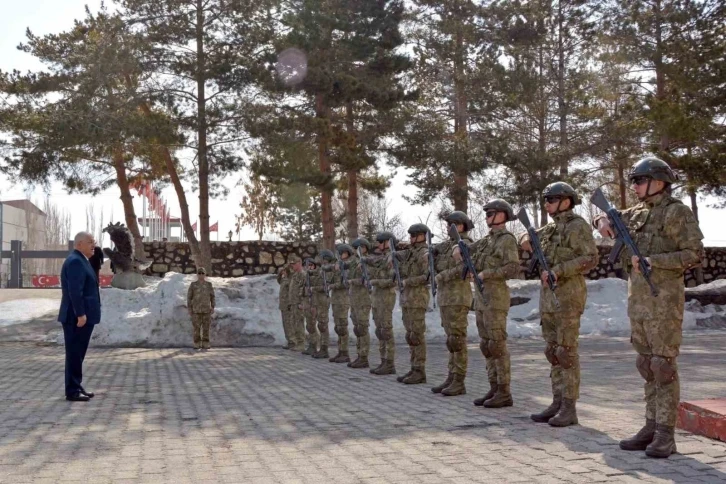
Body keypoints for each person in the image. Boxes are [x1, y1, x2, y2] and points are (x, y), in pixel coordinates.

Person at [595, 157, 703, 458]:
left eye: (639, 181)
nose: (635, 186)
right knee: (646, 364)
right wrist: (601, 222)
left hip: (664, 301)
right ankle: (651, 425)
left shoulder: (676, 212)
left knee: (663, 366)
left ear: (658, 181)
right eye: (634, 181)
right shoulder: (637, 213)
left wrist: (656, 262)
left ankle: (666, 434)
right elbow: (604, 219)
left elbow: (694, 253)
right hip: (639, 302)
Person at [520, 182, 598, 427]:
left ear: (566, 201)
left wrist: (559, 270)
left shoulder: (577, 226)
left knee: (566, 352)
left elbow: (591, 258)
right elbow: (526, 237)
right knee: (553, 352)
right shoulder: (549, 229)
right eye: (546, 200)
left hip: (568, 296)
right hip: (549, 299)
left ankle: (569, 406)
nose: (547, 204)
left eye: (551, 199)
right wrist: (525, 239)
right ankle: (556, 401)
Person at [468, 199, 520, 408]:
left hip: (496, 298)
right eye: (487, 213)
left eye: (491, 213)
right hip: (482, 298)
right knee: (486, 345)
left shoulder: (506, 239)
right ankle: (494, 386)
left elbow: (513, 267)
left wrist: (487, 273)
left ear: (503, 215)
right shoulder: (486, 241)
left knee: (497, 345)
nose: (487, 216)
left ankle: (504, 391)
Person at [432, 211, 474, 396]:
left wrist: (442, 276)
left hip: (458, 297)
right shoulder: (447, 246)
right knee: (451, 340)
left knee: (457, 340)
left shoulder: (467, 244)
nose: (448, 228)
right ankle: (451, 376)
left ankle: (459, 380)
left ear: (461, 225)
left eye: (452, 225)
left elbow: (463, 267)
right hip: (445, 298)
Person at [58, 232, 101, 402]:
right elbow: (75, 291)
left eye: (94, 242)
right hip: (76, 317)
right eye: (90, 242)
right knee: (75, 353)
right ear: (79, 244)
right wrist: (81, 314)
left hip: (81, 316)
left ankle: (76, 385)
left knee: (77, 353)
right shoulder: (76, 261)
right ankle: (72, 391)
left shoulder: (82, 260)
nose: (93, 245)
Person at [396, 223, 431, 385]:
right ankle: (414, 367)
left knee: (417, 335)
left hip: (417, 299)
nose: (411, 238)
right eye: (410, 235)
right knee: (410, 335)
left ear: (423, 236)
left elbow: (426, 277)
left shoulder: (424, 253)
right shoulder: (410, 253)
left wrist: (407, 281)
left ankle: (420, 370)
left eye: (414, 235)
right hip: (407, 299)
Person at [368, 233, 398, 376]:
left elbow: (393, 280)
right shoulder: (382, 258)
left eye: (381, 242)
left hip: (386, 297)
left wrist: (376, 282)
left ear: (388, 242)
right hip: (377, 297)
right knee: (380, 331)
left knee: (386, 330)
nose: (378, 245)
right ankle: (383, 360)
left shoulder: (393, 257)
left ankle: (390, 362)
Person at [347, 238, 373, 369]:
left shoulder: (368, 261)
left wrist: (352, 281)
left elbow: (365, 279)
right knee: (357, 328)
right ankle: (359, 355)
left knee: (362, 328)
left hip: (363, 299)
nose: (355, 251)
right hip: (354, 299)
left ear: (364, 248)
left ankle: (364, 357)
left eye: (357, 248)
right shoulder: (355, 262)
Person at [328, 244, 353, 363]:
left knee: (342, 327)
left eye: (341, 253)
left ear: (346, 253)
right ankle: (340, 351)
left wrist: (332, 285)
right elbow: (332, 279)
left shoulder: (348, 265)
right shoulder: (339, 264)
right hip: (336, 299)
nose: (339, 255)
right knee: (338, 327)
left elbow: (345, 283)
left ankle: (345, 353)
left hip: (343, 299)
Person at [312, 250, 336, 359]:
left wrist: (314, 288)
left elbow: (326, 285)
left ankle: (324, 348)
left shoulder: (329, 270)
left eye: (322, 258)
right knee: (320, 324)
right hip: (318, 299)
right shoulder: (322, 270)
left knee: (323, 324)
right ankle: (321, 347)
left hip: (323, 299)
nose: (320, 260)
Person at [187, 267, 216, 350]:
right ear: (197, 274)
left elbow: (212, 296)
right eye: (199, 273)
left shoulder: (208, 285)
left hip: (206, 309)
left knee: (206, 327)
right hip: (196, 310)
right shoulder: (193, 285)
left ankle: (205, 343)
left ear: (205, 274)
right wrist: (189, 308)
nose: (201, 275)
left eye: (202, 273)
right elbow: (189, 297)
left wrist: (213, 306)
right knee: (196, 327)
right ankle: (197, 343)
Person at [287, 255, 307, 352]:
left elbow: (304, 290)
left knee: (299, 323)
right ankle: (297, 342)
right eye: (291, 265)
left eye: (294, 264)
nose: (292, 266)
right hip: (294, 303)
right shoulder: (295, 275)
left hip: (299, 304)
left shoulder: (303, 275)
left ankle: (301, 343)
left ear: (299, 263)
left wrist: (302, 303)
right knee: (294, 323)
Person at [277, 264, 294, 349]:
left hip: (288, 305)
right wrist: (280, 273)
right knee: (285, 324)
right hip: (283, 305)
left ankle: (292, 341)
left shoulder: (290, 280)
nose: (283, 272)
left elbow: (291, 293)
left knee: (289, 324)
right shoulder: (284, 279)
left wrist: (290, 303)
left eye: (284, 271)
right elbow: (278, 280)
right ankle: (289, 341)